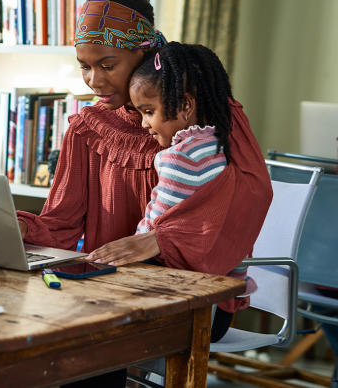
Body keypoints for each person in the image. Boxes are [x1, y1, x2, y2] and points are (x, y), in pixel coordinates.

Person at [14, 0, 272, 387]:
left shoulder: (207, 111)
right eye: (84, 66)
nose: (94, 80)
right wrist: (11, 227)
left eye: (108, 64)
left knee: (83, 342)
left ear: (145, 53)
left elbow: (251, 194)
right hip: (113, 289)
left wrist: (159, 240)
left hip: (195, 296)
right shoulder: (88, 128)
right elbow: (61, 225)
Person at [90, 42, 252, 341]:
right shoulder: (224, 144)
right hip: (222, 307)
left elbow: (155, 230)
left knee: (92, 322)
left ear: (186, 106)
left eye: (149, 112)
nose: (145, 124)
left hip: (193, 307)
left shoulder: (182, 155)